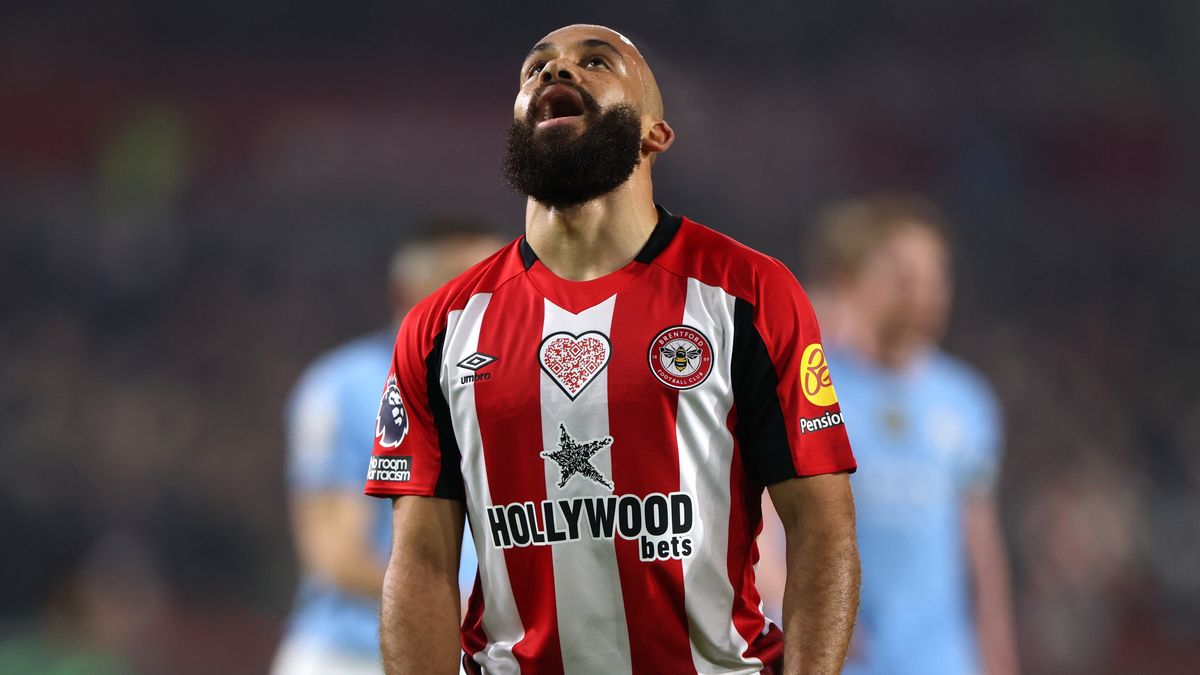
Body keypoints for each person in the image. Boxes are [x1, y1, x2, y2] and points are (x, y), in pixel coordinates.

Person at [364, 24, 860, 675]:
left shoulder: (749, 293)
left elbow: (824, 532)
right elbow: (422, 562)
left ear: (655, 134)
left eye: (595, 61)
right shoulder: (441, 325)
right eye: (535, 69)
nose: (554, 73)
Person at [764, 192, 1019, 675]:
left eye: (934, 278)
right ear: (851, 280)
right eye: (903, 277)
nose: (923, 294)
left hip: (941, 661)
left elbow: (980, 546)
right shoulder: (805, 386)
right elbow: (763, 524)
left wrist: (998, 654)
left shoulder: (967, 400)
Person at [272, 221, 503, 675]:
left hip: (477, 654)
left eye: (496, 284)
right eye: (464, 283)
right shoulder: (342, 387)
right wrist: (454, 611)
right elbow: (336, 555)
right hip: (353, 655)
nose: (484, 302)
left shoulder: (515, 388)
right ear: (407, 292)